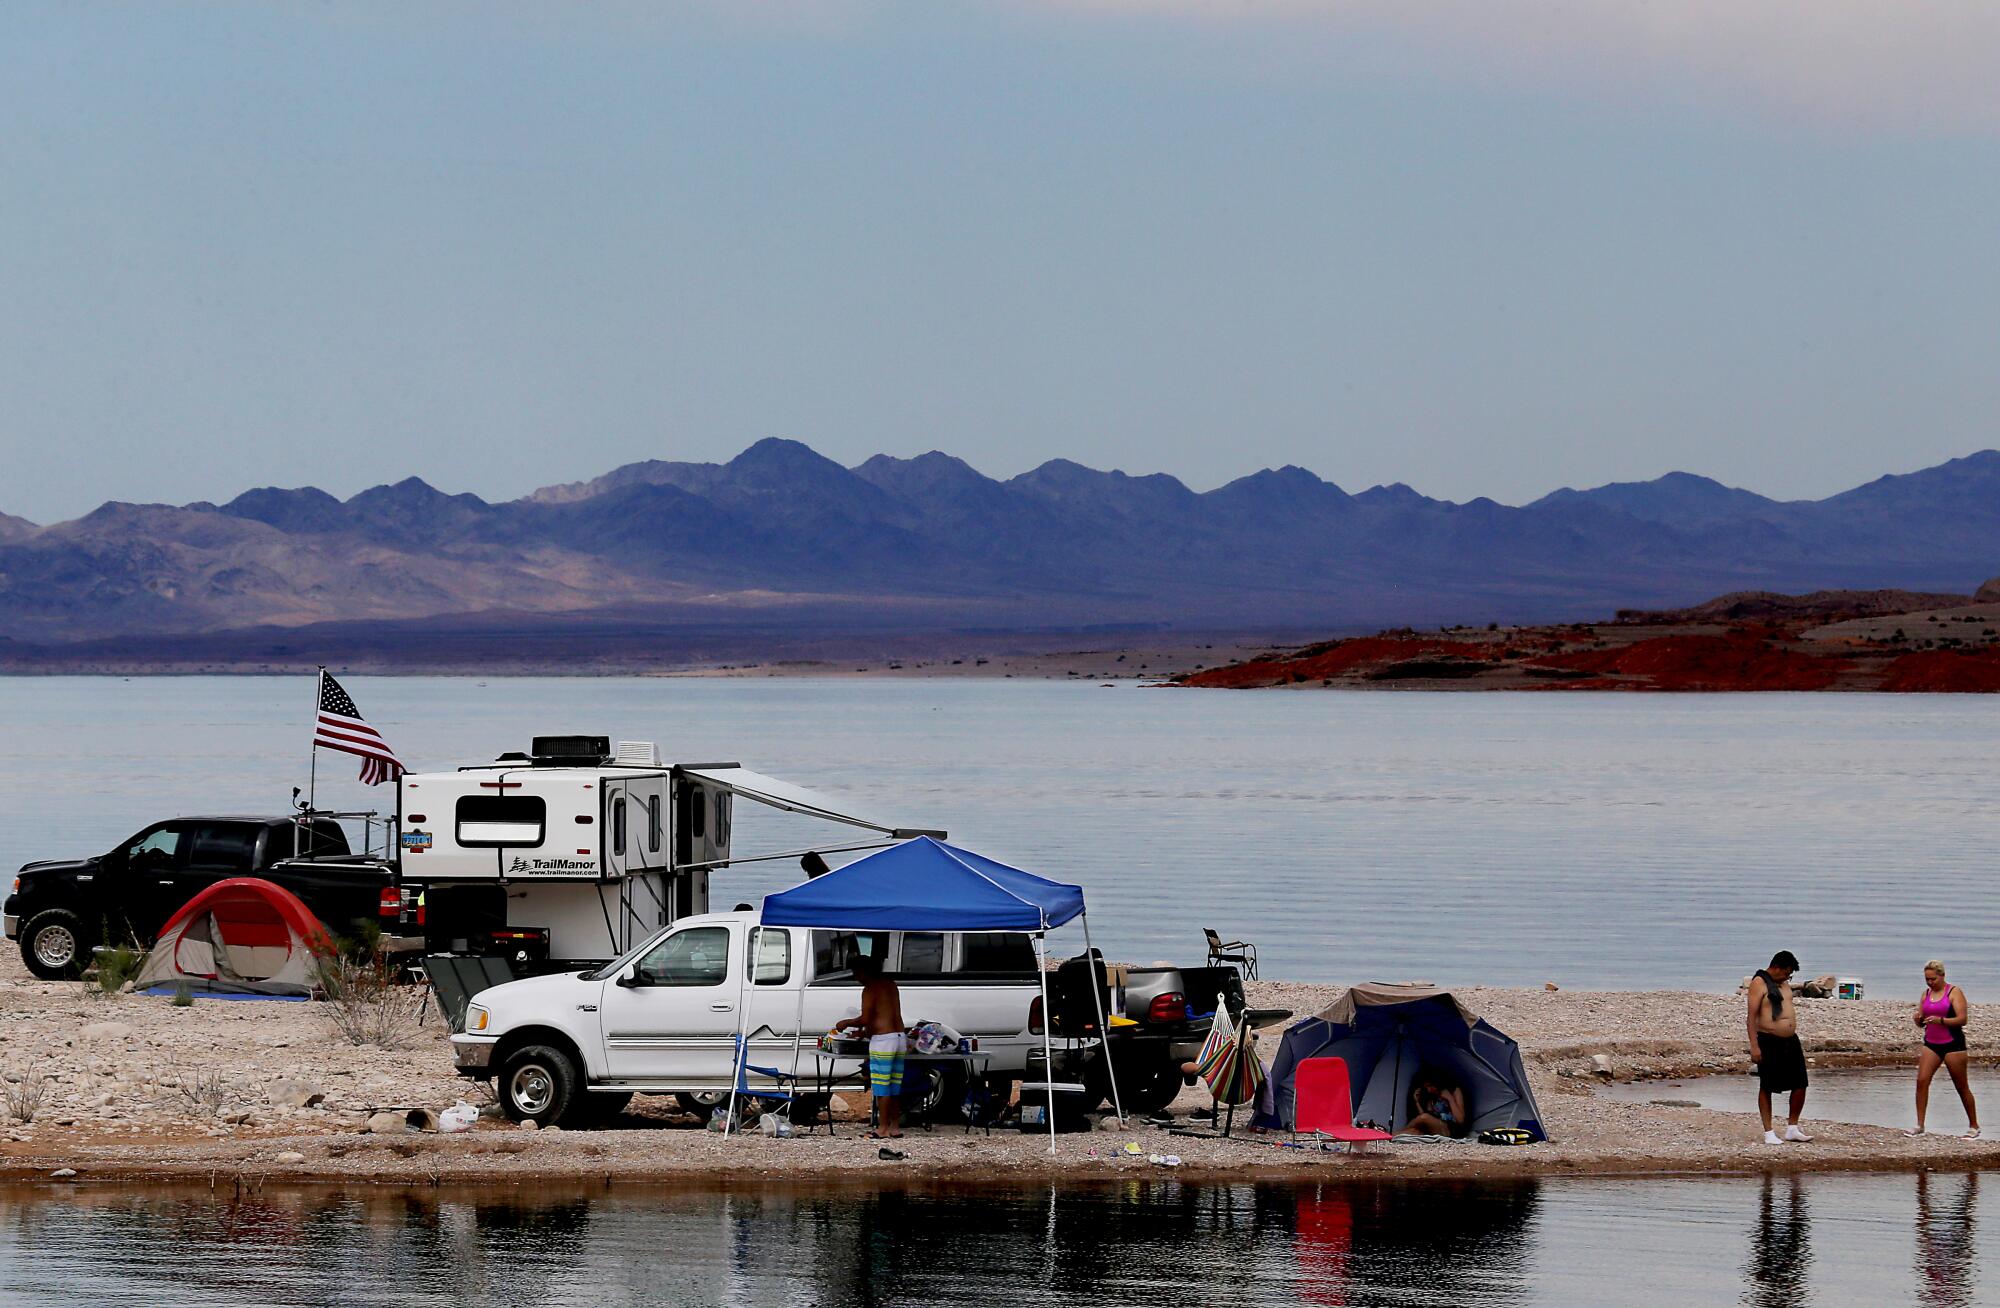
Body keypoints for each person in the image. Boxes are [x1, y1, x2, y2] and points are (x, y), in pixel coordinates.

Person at [833, 952, 907, 1139]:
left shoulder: (870, 989)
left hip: (884, 1042)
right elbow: (883, 1016)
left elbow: (866, 1018)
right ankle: (895, 1126)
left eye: (856, 972)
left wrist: (846, 1023)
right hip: (899, 1037)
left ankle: (882, 1128)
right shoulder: (890, 984)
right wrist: (865, 1033)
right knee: (894, 1085)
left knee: (882, 1087)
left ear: (864, 971)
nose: (856, 977)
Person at [1907, 959, 1979, 1140]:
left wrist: (1942, 1021)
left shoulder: (1954, 992)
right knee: (1921, 1081)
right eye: (1927, 979)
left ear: (1942, 976)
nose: (1930, 982)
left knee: (1961, 1085)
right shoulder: (1926, 994)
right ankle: (1919, 1124)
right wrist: (1918, 1019)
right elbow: (1922, 1020)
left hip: (1953, 1044)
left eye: (1933, 979)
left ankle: (1973, 1125)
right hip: (1931, 1043)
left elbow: (1963, 1019)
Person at [1749, 950, 1811, 1145]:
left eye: (1790, 974)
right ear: (1776, 967)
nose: (1788, 977)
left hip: (1790, 1040)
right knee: (1767, 1085)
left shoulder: (1783, 984)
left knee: (1800, 1081)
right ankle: (1768, 1132)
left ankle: (1792, 1127)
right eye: (1786, 973)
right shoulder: (1759, 983)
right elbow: (1751, 1018)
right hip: (1769, 1039)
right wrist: (1754, 1046)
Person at [1400, 1072, 1468, 1138]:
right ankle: (1391, 1135)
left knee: (1424, 1117)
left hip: (1451, 1129)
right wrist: (1417, 1102)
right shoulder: (1432, 1097)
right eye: (1426, 1087)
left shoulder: (1455, 1091)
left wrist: (1450, 1099)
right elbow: (1426, 1119)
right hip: (1436, 1127)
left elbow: (1461, 1120)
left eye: (1430, 1086)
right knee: (1415, 1132)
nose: (1429, 1090)